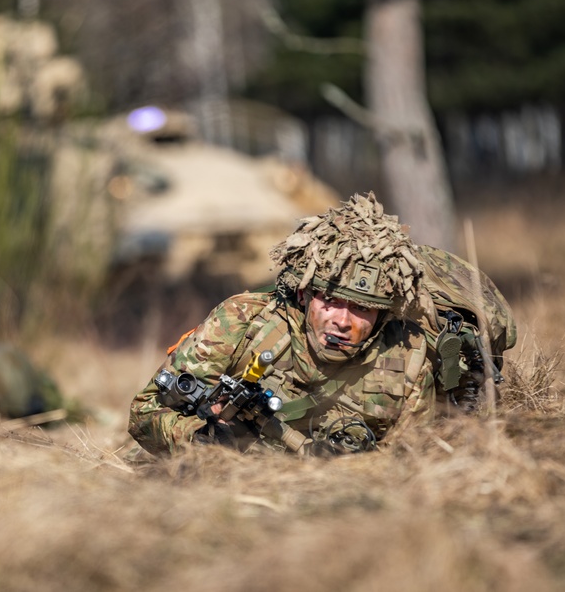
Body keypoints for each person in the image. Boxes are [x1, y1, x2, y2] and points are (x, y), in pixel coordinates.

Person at [128, 192, 442, 456]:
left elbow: (415, 461)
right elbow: (144, 414)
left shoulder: (406, 357)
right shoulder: (244, 321)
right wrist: (200, 439)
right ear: (304, 295)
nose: (342, 321)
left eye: (362, 309)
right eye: (330, 301)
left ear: (384, 314)